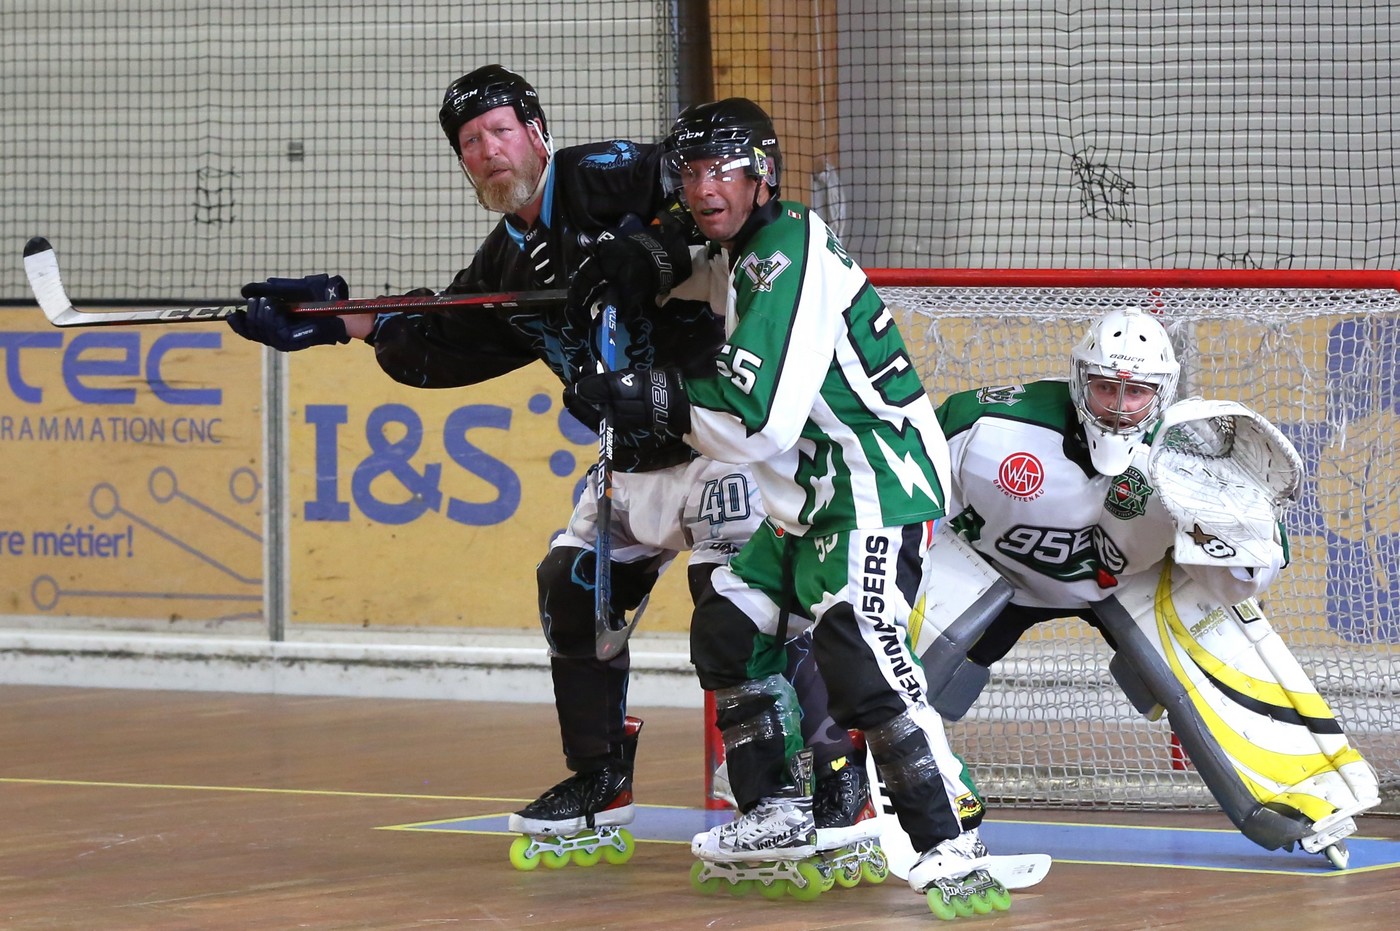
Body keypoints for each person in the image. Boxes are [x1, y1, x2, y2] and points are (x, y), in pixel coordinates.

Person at [223, 66, 870, 859]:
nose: (489, 151)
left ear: (535, 132)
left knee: (739, 612)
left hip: (716, 441)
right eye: (470, 143)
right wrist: (338, 317)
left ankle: (821, 779)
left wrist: (647, 250)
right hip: (628, 462)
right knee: (569, 588)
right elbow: (438, 341)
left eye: (500, 130)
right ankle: (601, 778)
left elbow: (701, 186)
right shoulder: (504, 265)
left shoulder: (604, 175)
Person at [573, 98, 1021, 908]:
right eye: (691, 172)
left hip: (873, 489)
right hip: (812, 499)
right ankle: (777, 809)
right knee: (729, 623)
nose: (704, 187)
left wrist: (646, 394)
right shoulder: (751, 250)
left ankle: (950, 837)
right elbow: (707, 271)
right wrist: (642, 263)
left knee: (861, 651)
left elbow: (757, 417)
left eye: (722, 169)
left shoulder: (786, 255)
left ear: (763, 175)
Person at [928, 306, 1378, 867]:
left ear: (1160, 393)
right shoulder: (985, 425)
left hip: (1128, 581)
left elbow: (1245, 581)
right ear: (1079, 380)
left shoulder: (1195, 454)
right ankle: (865, 783)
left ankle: (1307, 797)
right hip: (997, 568)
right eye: (1106, 388)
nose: (1119, 407)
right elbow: (898, 494)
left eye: (1136, 392)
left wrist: (1230, 536)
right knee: (890, 658)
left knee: (1218, 667)